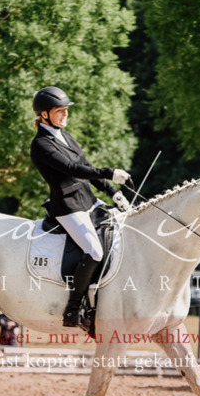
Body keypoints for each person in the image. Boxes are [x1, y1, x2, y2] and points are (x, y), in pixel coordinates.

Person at [30, 86, 131, 330]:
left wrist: (112, 192)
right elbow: (73, 170)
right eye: (60, 111)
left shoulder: (66, 136)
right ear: (44, 115)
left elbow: (86, 166)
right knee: (95, 252)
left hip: (88, 200)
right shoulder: (41, 144)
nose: (65, 115)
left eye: (66, 110)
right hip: (68, 207)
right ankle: (73, 309)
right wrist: (110, 172)